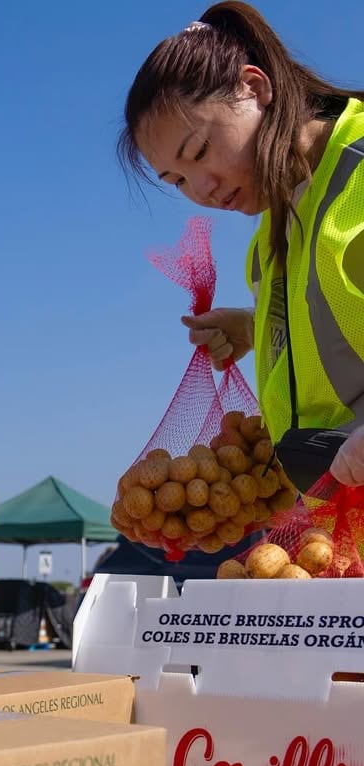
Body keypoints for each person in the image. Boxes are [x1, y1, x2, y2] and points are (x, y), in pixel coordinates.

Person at [118, 3, 364, 487]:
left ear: (254, 87)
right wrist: (261, 328)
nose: (202, 189)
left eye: (200, 151)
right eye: (177, 180)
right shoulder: (268, 241)